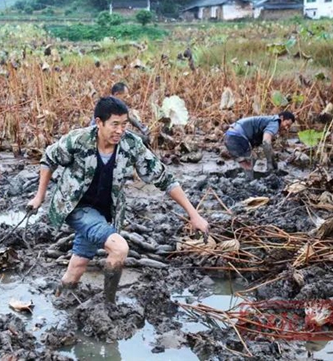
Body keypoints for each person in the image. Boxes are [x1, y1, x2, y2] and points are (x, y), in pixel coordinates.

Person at [28, 97, 208, 304]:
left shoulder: (131, 145)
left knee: (76, 269)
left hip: (105, 214)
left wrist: (194, 215)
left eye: (124, 124)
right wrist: (39, 196)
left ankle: (59, 301)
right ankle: (108, 305)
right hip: (75, 208)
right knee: (119, 248)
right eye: (115, 124)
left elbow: (164, 178)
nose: (120, 130)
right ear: (99, 122)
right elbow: (49, 159)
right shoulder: (78, 140)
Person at [224, 111, 295, 180]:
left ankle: (239, 180)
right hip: (237, 137)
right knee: (249, 164)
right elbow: (266, 142)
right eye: (287, 124)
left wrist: (273, 162)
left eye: (289, 127)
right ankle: (248, 184)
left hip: (229, 136)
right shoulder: (275, 122)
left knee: (252, 159)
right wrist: (269, 163)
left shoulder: (266, 121)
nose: (286, 128)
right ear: (281, 118)